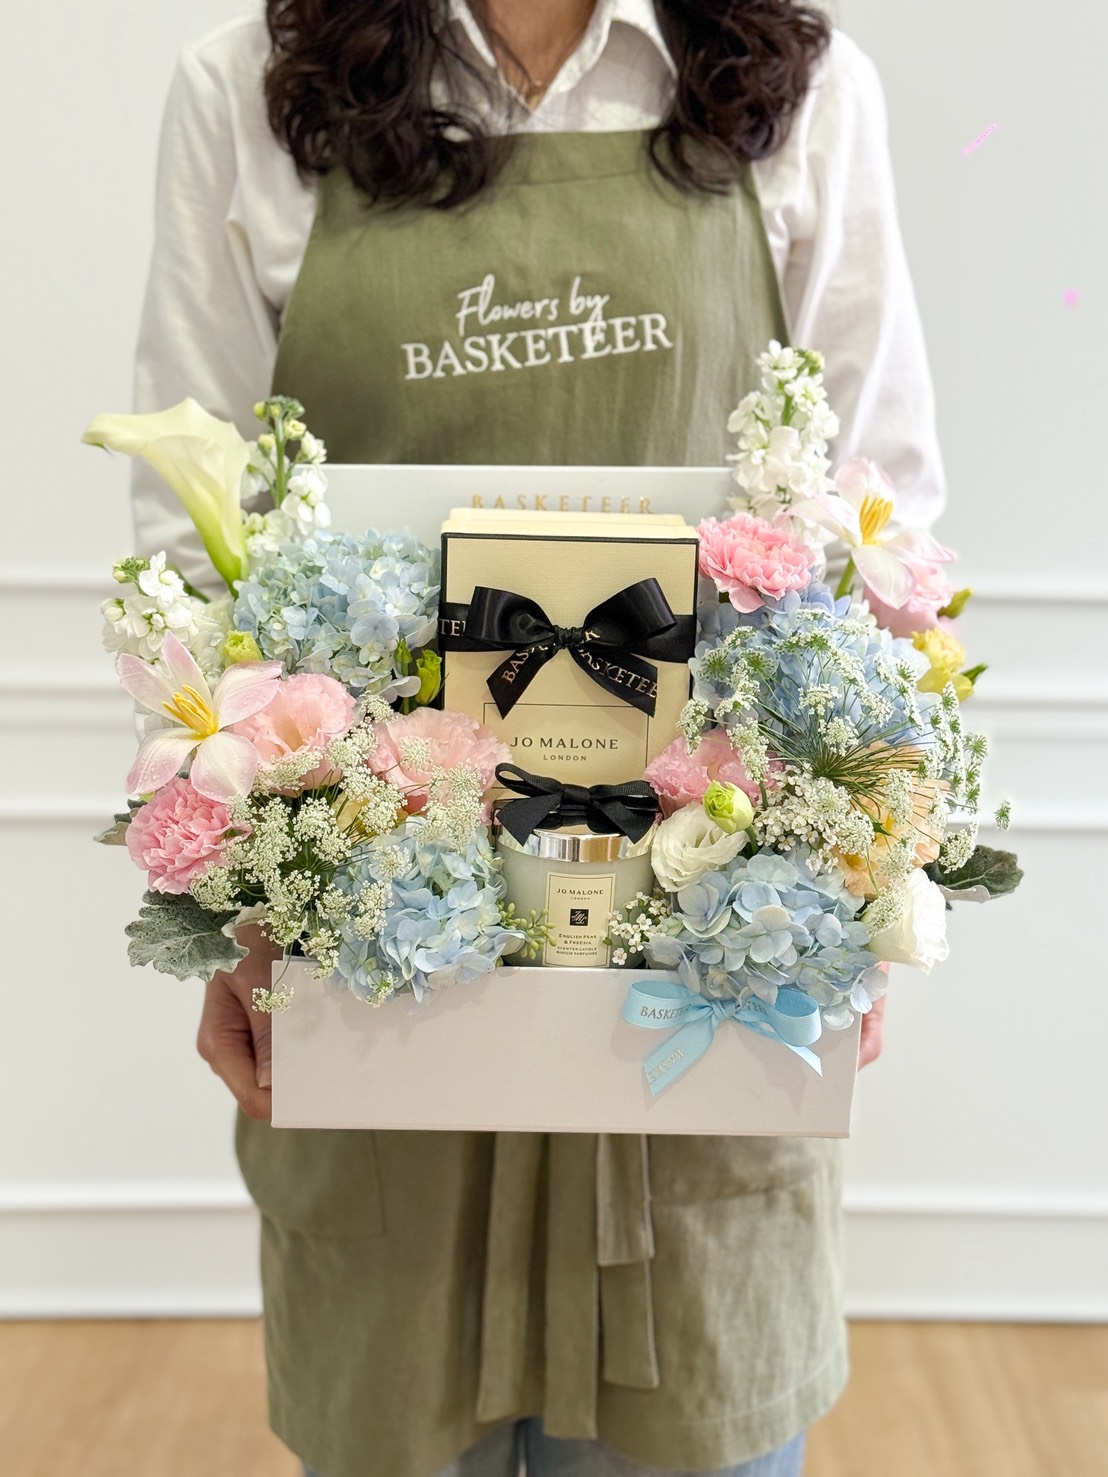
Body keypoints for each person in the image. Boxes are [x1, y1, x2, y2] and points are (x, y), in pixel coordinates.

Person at [129, 3, 947, 1475]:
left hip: (697, 986)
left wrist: (863, 881)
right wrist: (241, 910)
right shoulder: (245, 92)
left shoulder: (801, 93)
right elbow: (193, 557)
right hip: (380, 963)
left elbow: (885, 532)